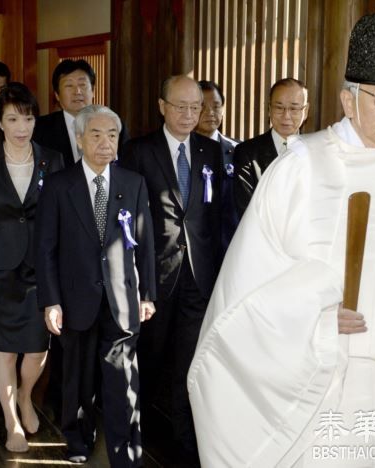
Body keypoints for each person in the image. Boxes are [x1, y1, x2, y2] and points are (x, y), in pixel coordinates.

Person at [188, 13, 375, 468]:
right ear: (348, 99)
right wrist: (316, 319)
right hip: (323, 379)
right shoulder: (303, 166)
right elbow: (249, 293)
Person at [35, 104, 156, 466]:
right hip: (74, 300)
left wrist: (147, 294)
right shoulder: (59, 184)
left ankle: (126, 451)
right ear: (80, 138)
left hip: (121, 300)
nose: (106, 143)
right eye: (97, 134)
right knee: (77, 378)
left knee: (123, 382)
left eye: (113, 135)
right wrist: (51, 301)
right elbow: (45, 248)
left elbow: (145, 243)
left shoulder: (132, 183)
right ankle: (77, 440)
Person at [121, 75, 223, 466]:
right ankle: (137, 433)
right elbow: (125, 219)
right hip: (155, 276)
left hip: (199, 276)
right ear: (161, 106)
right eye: (179, 106)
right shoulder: (138, 151)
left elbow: (214, 219)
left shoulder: (211, 153)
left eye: (195, 107)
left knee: (189, 362)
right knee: (148, 356)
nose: (187, 114)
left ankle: (185, 444)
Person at [0, 82, 63, 452]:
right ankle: (11, 421)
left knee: (38, 349)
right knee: (4, 350)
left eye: (29, 118)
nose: (22, 127)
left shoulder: (53, 159)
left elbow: (60, 218)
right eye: (13, 119)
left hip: (40, 268)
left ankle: (25, 395)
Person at [33, 59, 130, 168]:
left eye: (82, 84)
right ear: (57, 95)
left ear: (93, 91)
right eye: (69, 86)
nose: (77, 91)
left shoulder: (113, 125)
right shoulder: (40, 128)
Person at [233, 77, 308, 217]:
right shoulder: (247, 153)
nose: (286, 116)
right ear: (269, 109)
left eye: (294, 108)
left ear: (306, 111)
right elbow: (247, 209)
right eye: (279, 107)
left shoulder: (315, 151)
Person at [196, 79, 240, 249]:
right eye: (202, 106)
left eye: (216, 106)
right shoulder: (181, 152)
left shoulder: (238, 150)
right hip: (195, 247)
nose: (210, 112)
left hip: (230, 245)